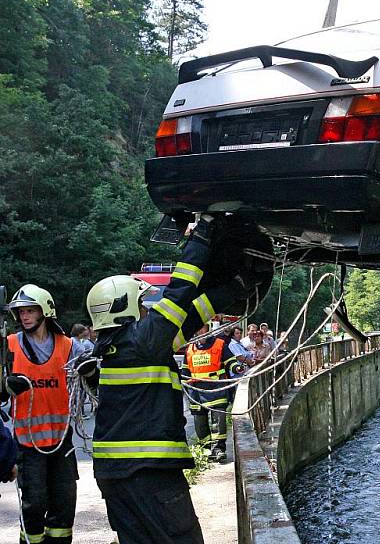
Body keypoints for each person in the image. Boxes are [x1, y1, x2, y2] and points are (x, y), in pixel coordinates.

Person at [85, 216, 271, 544]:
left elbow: (191, 314)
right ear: (123, 308)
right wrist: (202, 233)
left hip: (116, 476)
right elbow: (182, 288)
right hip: (150, 474)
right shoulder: (144, 340)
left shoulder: (123, 347)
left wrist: (235, 289)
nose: (147, 309)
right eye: (142, 304)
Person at [3, 284, 93, 544]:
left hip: (61, 443)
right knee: (34, 504)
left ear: (46, 312)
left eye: (31, 311)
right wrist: (4, 387)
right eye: (21, 312)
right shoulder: (9, 346)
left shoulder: (69, 347)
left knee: (64, 503)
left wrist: (91, 372)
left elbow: (95, 375)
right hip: (27, 444)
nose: (25, 317)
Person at [182, 328, 238, 462]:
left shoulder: (219, 344)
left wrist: (236, 367)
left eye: (204, 329)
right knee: (199, 422)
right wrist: (183, 385)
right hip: (196, 391)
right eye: (199, 329)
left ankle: (218, 449)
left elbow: (230, 361)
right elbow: (185, 370)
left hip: (216, 388)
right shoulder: (190, 348)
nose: (201, 332)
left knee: (218, 420)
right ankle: (206, 448)